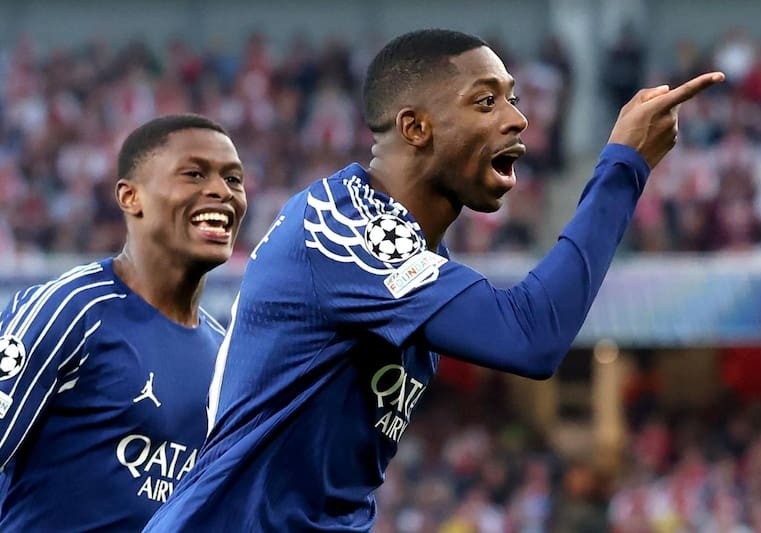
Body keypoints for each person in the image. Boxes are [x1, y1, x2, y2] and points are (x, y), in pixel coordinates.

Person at [145, 29, 724, 532]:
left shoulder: (412, 256)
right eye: (486, 101)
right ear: (416, 127)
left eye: (513, 99)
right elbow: (530, 336)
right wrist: (623, 165)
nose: (517, 118)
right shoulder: (345, 227)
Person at [0, 113, 247, 531]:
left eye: (234, 179)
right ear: (131, 197)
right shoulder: (70, 311)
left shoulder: (228, 361)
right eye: (194, 174)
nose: (221, 191)